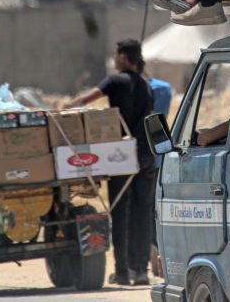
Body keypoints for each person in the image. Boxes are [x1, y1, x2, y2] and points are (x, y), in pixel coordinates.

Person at [62, 39, 156, 287]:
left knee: (120, 212)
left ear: (124, 58)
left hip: (122, 154)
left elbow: (85, 100)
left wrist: (62, 108)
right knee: (142, 212)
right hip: (146, 154)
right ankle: (141, 270)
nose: (113, 59)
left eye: (115, 55)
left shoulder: (115, 81)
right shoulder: (148, 86)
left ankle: (122, 272)